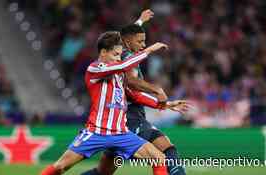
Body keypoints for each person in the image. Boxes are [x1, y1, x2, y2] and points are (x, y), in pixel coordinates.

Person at [40, 31, 187, 175]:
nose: (118, 58)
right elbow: (123, 65)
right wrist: (148, 50)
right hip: (97, 132)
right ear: (103, 53)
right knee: (60, 167)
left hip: (121, 133)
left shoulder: (119, 75)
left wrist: (165, 104)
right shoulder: (94, 68)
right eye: (115, 55)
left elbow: (134, 96)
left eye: (120, 55)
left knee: (159, 158)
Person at [81, 10, 187, 175]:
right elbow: (130, 83)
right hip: (129, 116)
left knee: (104, 172)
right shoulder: (125, 56)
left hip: (119, 120)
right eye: (140, 41)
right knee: (167, 149)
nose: (143, 45)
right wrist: (156, 90)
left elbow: (126, 34)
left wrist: (140, 21)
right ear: (127, 41)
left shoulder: (121, 50)